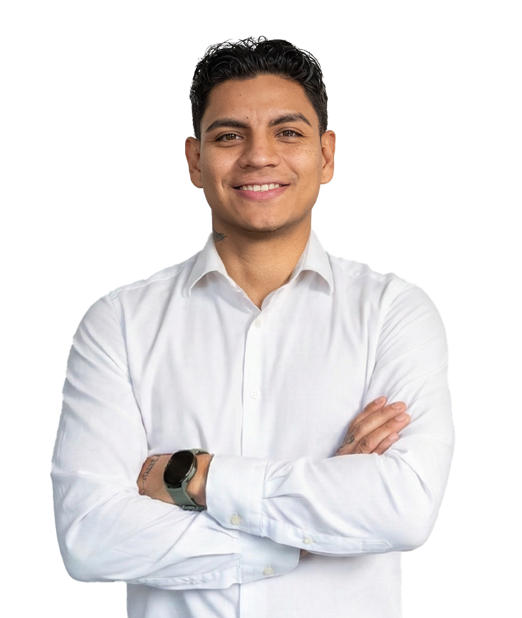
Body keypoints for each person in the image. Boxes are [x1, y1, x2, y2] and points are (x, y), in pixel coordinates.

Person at [51, 34, 455, 618]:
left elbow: (406, 508)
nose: (259, 156)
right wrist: (312, 525)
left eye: (288, 132)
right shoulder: (118, 322)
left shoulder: (395, 310)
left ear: (327, 155)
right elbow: (90, 539)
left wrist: (196, 478)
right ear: (194, 160)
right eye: (228, 136)